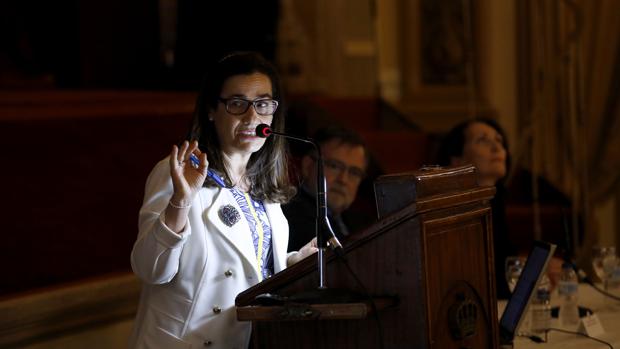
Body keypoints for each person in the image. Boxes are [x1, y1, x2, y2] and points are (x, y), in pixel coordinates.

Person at [129, 52, 316, 349]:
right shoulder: (178, 170)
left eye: (263, 104)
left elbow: (253, 273)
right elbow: (150, 269)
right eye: (237, 104)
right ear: (211, 110)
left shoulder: (265, 189)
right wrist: (180, 201)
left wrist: (295, 263)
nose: (252, 117)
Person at [437, 118, 563, 299]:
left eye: (499, 140)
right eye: (483, 140)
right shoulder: (451, 210)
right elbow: (474, 283)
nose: (497, 148)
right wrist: (532, 274)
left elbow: (499, 263)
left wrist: (534, 268)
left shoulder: (495, 200)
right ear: (457, 160)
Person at [284, 126, 371, 252]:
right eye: (334, 166)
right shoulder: (289, 214)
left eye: (354, 172)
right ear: (307, 165)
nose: (343, 180)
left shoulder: (361, 223)